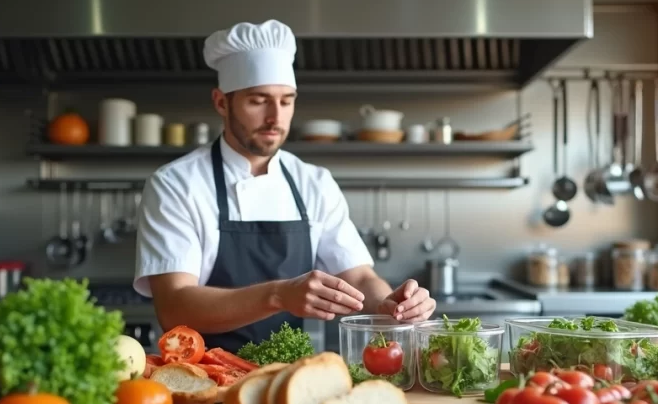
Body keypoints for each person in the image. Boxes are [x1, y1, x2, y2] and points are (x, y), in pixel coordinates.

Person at [133, 19, 437, 353]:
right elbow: (174, 307)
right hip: (205, 376)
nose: (275, 117)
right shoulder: (176, 185)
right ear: (221, 102)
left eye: (286, 100)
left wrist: (388, 304)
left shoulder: (313, 182)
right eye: (258, 100)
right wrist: (278, 294)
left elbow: (359, 277)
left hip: (288, 374)